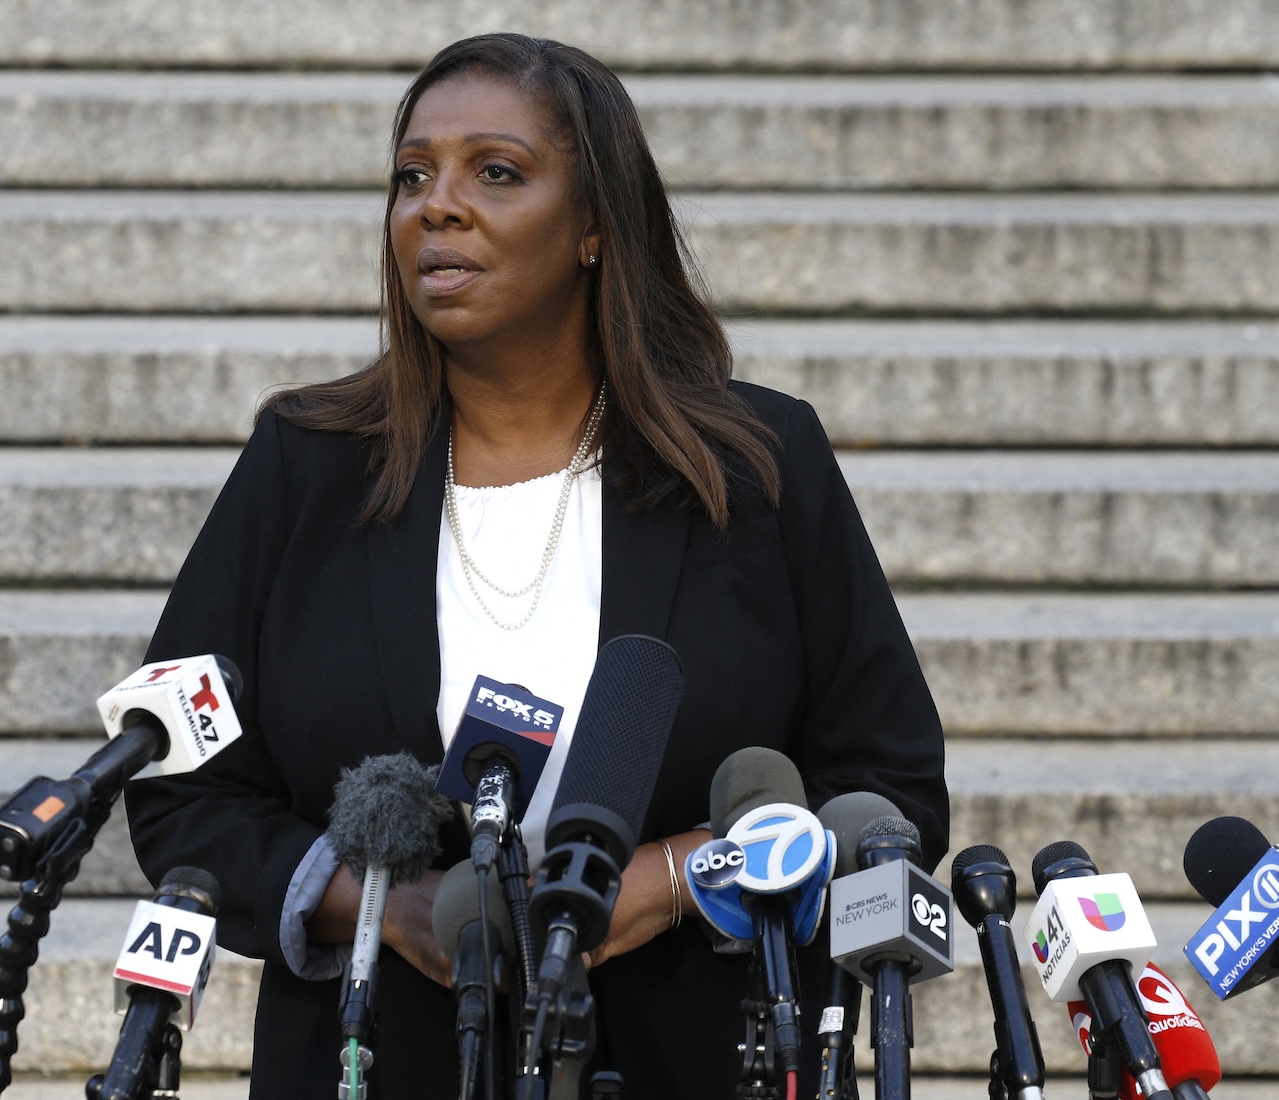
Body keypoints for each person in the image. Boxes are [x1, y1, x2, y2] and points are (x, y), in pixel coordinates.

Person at [125, 33, 948, 1100]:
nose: (437, 205)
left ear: (597, 225)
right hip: (383, 1058)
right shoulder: (306, 462)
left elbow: (887, 784)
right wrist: (382, 906)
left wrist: (676, 877)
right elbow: (183, 791)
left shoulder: (753, 465)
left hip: (695, 1050)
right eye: (411, 175)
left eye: (496, 171)